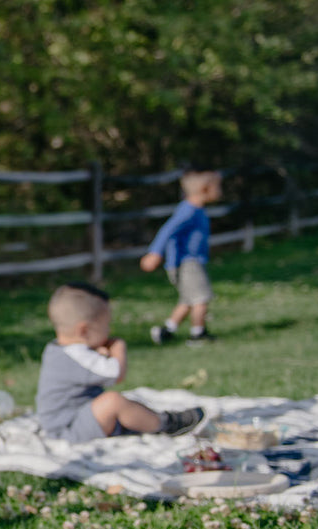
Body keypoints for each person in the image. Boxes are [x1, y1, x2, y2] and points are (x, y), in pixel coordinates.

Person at [35, 282, 205, 443]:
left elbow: (88, 365)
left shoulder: (59, 349)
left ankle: (149, 420)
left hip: (72, 419)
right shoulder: (75, 356)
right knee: (113, 401)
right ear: (84, 330)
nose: (109, 331)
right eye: (106, 325)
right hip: (68, 429)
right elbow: (116, 374)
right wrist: (118, 347)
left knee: (125, 404)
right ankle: (167, 424)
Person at [140, 168, 223, 345]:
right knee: (201, 297)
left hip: (189, 262)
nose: (220, 191)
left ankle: (167, 331)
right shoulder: (189, 210)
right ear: (205, 189)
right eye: (218, 187)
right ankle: (198, 334)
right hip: (187, 262)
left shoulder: (194, 209)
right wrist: (155, 252)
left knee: (187, 300)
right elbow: (167, 230)